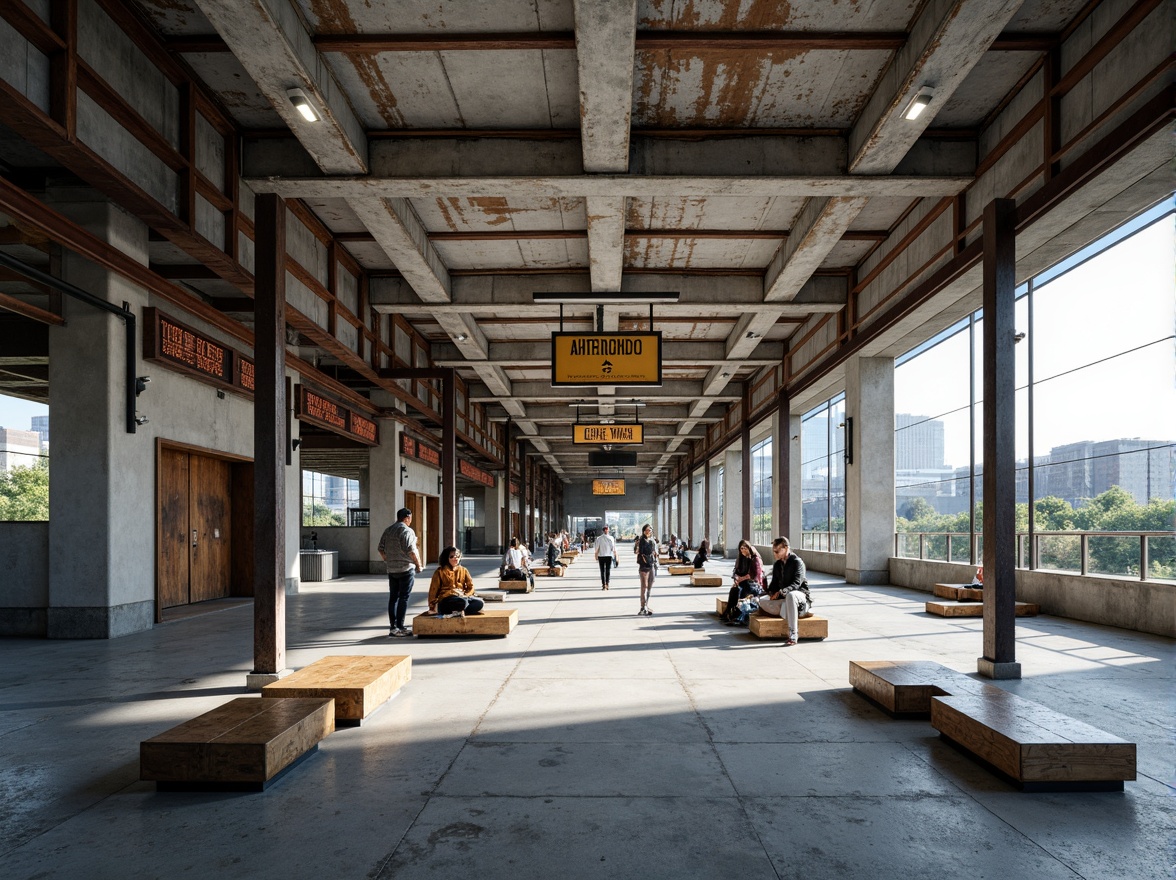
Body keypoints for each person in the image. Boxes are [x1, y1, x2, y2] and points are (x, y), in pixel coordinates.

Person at [754, 537, 813, 646]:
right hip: (783, 600)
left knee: (790, 595)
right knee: (759, 600)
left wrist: (782, 592)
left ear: (786, 548)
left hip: (799, 597)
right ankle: (786, 610)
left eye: (777, 551)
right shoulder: (777, 565)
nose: (775, 554)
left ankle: (793, 634)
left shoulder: (797, 562)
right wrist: (769, 592)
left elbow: (797, 584)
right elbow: (774, 585)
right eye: (773, 551)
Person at [378, 507, 424, 637]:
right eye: (410, 518)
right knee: (403, 598)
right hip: (405, 568)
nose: (410, 521)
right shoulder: (407, 531)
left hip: (392, 569)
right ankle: (401, 627)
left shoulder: (388, 530)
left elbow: (380, 549)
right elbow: (411, 550)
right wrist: (418, 565)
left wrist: (389, 560)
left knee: (393, 598)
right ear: (407, 518)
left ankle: (393, 627)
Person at [427, 547, 484, 618]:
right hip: (447, 598)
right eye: (452, 557)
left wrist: (467, 595)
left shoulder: (463, 570)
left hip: (462, 596)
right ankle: (449, 609)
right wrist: (432, 605)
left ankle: (457, 611)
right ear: (446, 558)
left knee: (479, 603)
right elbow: (433, 589)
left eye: (457, 556)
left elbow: (471, 586)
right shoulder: (440, 572)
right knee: (462, 602)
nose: (455, 558)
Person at [722, 539, 765, 624]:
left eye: (745, 548)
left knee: (743, 589)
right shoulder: (741, 559)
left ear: (749, 548)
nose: (743, 550)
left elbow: (754, 576)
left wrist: (740, 579)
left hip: (754, 585)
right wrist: (736, 579)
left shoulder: (755, 559)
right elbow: (735, 571)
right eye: (741, 548)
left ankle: (737, 615)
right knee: (734, 590)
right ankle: (729, 611)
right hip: (744, 582)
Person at [633, 523, 658, 615]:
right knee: (644, 587)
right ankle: (642, 607)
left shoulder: (652, 541)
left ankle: (646, 605)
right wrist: (637, 546)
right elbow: (636, 551)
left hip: (652, 565)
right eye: (647, 530)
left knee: (650, 587)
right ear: (644, 531)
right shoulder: (641, 541)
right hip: (644, 566)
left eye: (650, 530)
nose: (649, 531)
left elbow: (655, 552)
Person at [594, 524, 617, 590]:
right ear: (607, 530)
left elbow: (596, 548)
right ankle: (606, 584)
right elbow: (613, 548)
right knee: (607, 570)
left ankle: (604, 584)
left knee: (603, 570)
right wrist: (615, 554)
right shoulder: (611, 538)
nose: (606, 530)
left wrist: (596, 555)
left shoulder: (599, 538)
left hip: (602, 556)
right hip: (607, 556)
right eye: (606, 529)